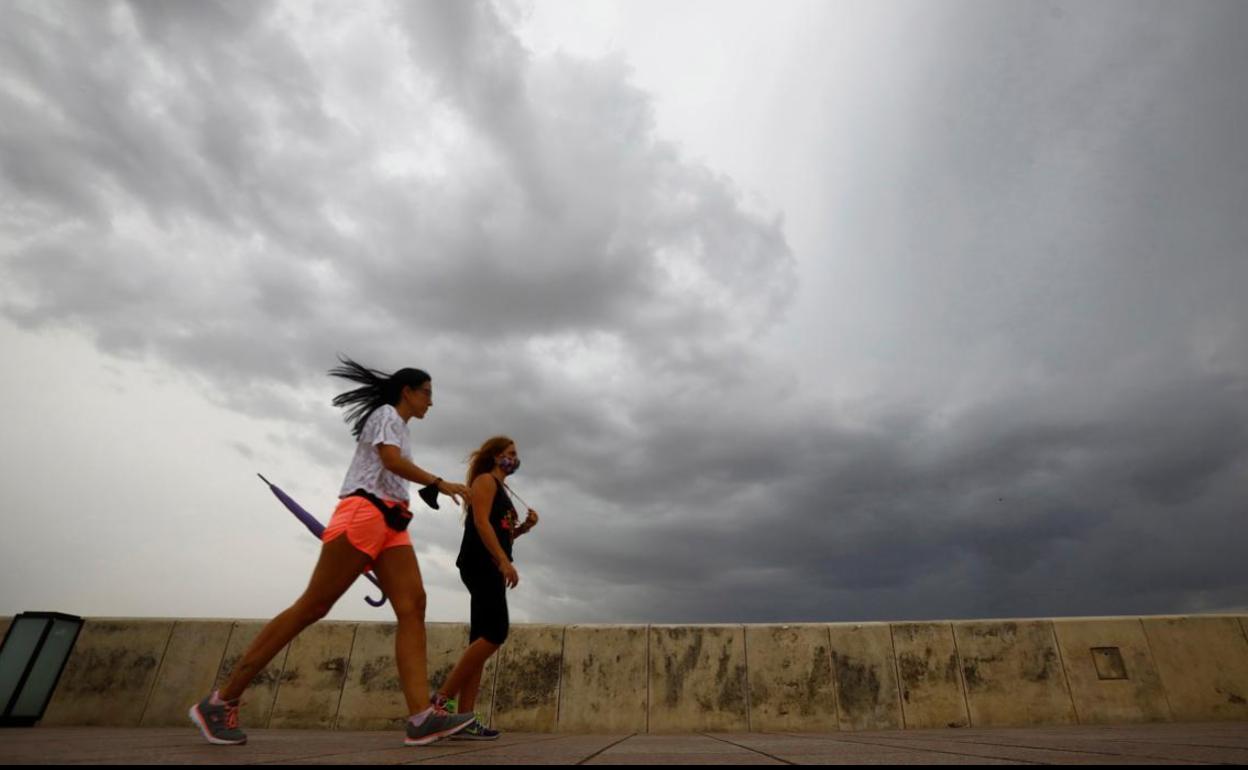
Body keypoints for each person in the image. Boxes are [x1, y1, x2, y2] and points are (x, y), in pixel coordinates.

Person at [189, 357, 476, 746]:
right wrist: (439, 483)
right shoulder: (386, 415)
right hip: (363, 514)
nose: (431, 402)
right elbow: (390, 460)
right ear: (407, 391)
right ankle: (220, 700)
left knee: (414, 606)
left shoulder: (401, 427)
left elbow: (393, 465)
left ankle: (421, 717)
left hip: (392, 524)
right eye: (427, 393)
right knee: (313, 606)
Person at [431, 436, 539, 740]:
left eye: (515, 454)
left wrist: (523, 529)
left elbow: (501, 533)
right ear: (495, 456)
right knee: (496, 632)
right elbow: (480, 524)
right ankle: (440, 703)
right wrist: (504, 562)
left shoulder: (502, 488)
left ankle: (462, 720)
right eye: (510, 453)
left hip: (489, 563)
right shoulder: (485, 481)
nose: (515, 459)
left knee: (479, 642)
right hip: (481, 564)